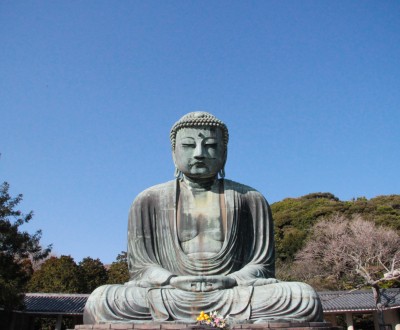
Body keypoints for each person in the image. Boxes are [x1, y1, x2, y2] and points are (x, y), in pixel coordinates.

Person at [83, 112, 323, 324]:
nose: (199, 154)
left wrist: (229, 281)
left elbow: (261, 265)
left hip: (233, 292)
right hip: (170, 293)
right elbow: (141, 267)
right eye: (188, 145)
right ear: (173, 152)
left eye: (210, 145)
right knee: (102, 300)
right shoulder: (148, 200)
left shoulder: (250, 198)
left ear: (225, 152)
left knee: (302, 296)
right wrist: (172, 280)